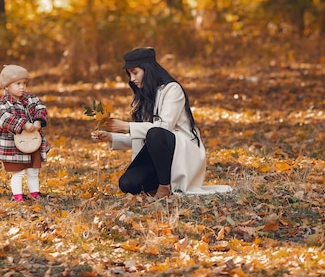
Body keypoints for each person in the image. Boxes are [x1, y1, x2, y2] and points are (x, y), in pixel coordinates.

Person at [91, 47, 232, 198]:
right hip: (157, 152)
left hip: (180, 150)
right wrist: (112, 137)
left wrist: (127, 126)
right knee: (128, 184)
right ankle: (161, 182)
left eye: (135, 72)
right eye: (130, 74)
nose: (132, 79)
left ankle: (165, 187)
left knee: (156, 133)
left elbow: (163, 129)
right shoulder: (144, 96)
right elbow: (144, 135)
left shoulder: (172, 89)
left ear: (148, 69)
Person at [0, 64, 50, 202]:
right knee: (18, 172)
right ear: (7, 86)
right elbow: (4, 118)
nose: (22, 87)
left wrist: (38, 121)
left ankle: (35, 193)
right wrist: (23, 124)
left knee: (33, 170)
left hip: (32, 142)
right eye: (18, 84)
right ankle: (18, 196)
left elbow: (40, 108)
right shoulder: (4, 102)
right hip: (14, 145)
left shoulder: (31, 98)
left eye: (24, 83)